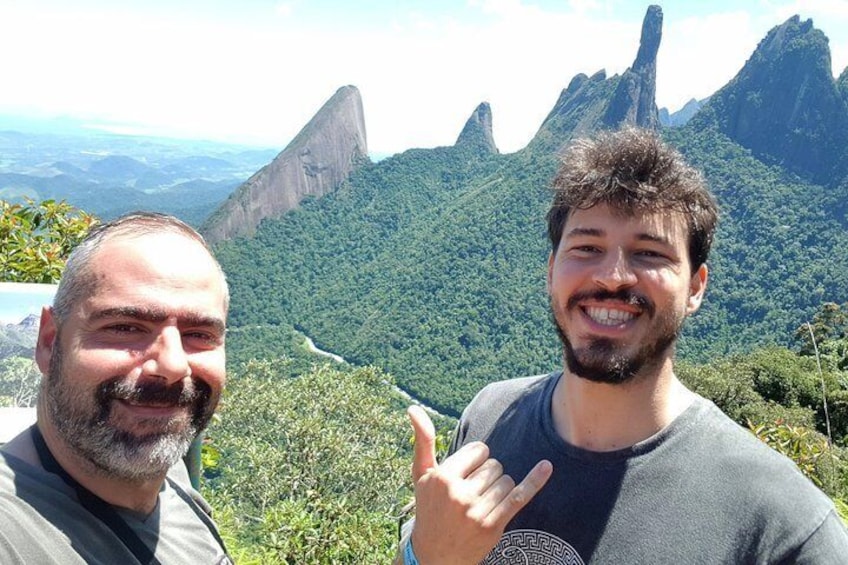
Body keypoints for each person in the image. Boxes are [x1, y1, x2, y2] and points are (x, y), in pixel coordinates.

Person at [399, 127, 848, 564]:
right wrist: (427, 555)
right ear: (551, 270)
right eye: (587, 247)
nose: (612, 276)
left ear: (695, 287)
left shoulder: (783, 526)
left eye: (649, 253)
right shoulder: (488, 418)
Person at [0, 212, 233, 564]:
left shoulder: (170, 474)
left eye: (198, 335)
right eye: (125, 327)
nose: (172, 366)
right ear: (49, 342)